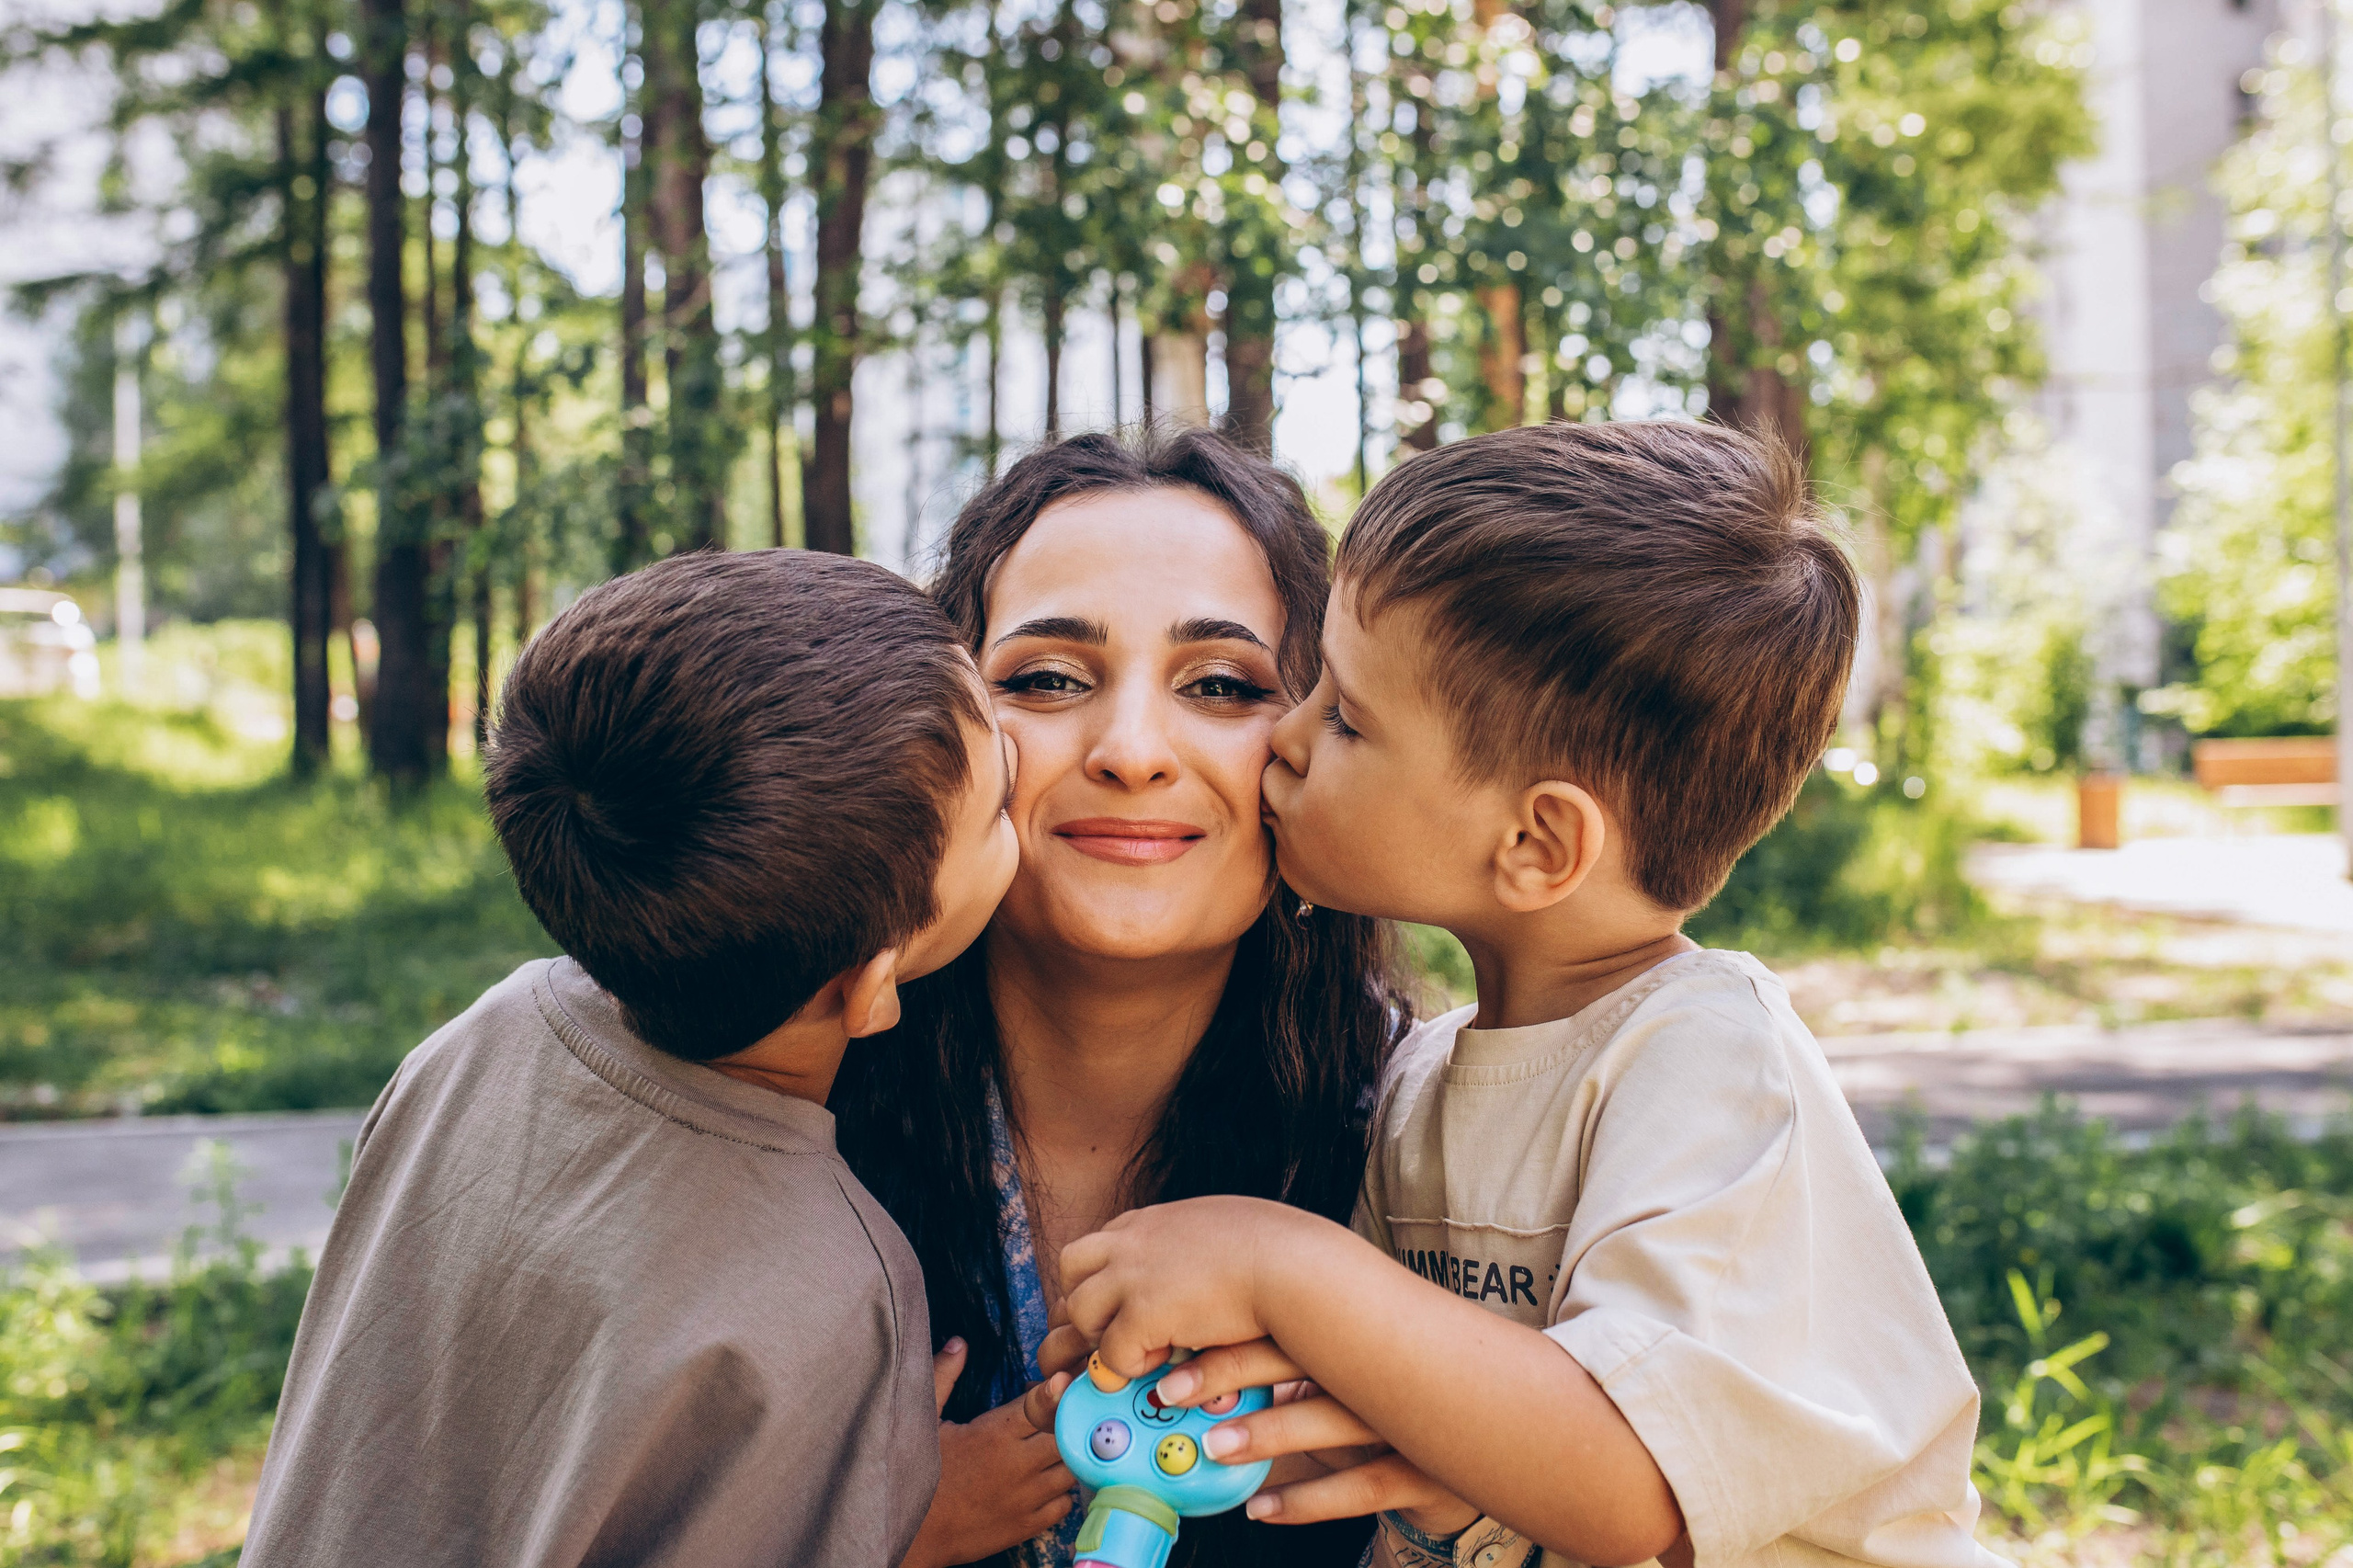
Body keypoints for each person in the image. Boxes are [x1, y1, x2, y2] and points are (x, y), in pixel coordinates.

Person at [1048, 421, 2004, 1568]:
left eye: (1346, 716)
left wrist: (1274, 1263)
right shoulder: (1423, 1082)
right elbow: (1413, 1404)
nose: (1284, 741)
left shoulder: (1704, 1061)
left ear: (1538, 840)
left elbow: (1627, 1481)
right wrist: (1205, 1390)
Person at [242, 551, 1019, 1568]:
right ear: (871, 985)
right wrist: (895, 1517)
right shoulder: (834, 1277)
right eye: (998, 805)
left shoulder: (485, 1037)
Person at [831, 427, 1412, 1568]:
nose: (1134, 749)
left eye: (1221, 685)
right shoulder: (757, 1103)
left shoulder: (1441, 1153)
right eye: (1047, 678)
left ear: (1318, 741)